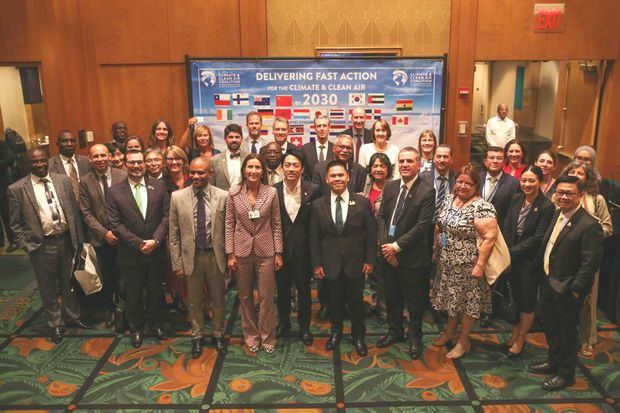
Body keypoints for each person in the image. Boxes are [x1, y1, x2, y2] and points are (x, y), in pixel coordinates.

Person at [528, 175, 604, 391]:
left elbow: (590, 264)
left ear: (580, 195)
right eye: (560, 192)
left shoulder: (589, 225)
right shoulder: (556, 214)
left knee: (568, 334)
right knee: (551, 328)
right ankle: (553, 362)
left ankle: (566, 374)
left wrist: (577, 291)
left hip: (568, 290)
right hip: (548, 283)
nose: (563, 197)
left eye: (569, 193)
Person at [8, 149, 90, 343]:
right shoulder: (17, 189)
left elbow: (73, 211)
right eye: (35, 162)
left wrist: (78, 240)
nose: (40, 164)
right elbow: (14, 224)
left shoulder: (62, 180)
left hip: (66, 241)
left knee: (69, 282)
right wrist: (27, 245)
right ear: (28, 164)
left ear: (48, 160)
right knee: (48, 288)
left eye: (43, 160)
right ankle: (56, 324)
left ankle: (73, 316)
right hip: (41, 245)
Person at [431, 164, 498, 359]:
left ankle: (463, 341)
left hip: (468, 266)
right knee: (452, 301)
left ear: (476, 185)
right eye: (459, 181)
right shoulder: (451, 199)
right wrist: (436, 248)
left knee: (467, 304)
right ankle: (449, 333)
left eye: (468, 183)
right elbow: (440, 225)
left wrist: (479, 265)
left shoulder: (482, 207)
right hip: (447, 263)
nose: (463, 186)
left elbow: (490, 238)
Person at [310, 160, 377, 356]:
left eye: (341, 175)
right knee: (334, 302)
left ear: (347, 177)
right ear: (327, 179)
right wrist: (317, 263)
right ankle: (335, 332)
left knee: (357, 302)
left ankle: (358, 336)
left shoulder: (362, 202)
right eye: (333, 176)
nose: (337, 178)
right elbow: (313, 237)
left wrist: (370, 260)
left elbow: (371, 234)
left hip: (356, 263)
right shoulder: (317, 205)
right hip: (329, 263)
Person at [106, 149, 170, 348]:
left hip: (156, 250)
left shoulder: (159, 186)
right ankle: (136, 328)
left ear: (144, 164)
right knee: (133, 294)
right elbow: (115, 224)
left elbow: (167, 217)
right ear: (125, 165)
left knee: (155, 291)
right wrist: (139, 244)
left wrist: (156, 241)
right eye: (131, 162)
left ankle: (155, 323)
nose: (136, 166)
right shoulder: (115, 191)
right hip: (131, 253)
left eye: (139, 162)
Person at [376, 148, 435, 359]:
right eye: (401, 161)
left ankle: (415, 338)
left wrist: (396, 247)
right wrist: (386, 246)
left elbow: (422, 226)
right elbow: (382, 217)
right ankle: (395, 331)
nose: (405, 165)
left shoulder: (427, 191)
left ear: (418, 164)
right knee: (392, 298)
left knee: (414, 302)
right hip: (388, 255)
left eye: (410, 161)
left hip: (412, 258)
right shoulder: (391, 187)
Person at [169, 157, 228, 358]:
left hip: (215, 256)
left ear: (209, 173)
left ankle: (218, 333)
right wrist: (177, 263)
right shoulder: (177, 197)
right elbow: (174, 233)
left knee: (218, 299)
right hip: (191, 258)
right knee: (193, 301)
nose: (196, 176)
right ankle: (197, 336)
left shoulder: (223, 196)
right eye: (192, 172)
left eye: (201, 172)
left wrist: (230, 258)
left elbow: (229, 230)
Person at [225, 154, 283, 353]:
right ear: (244, 169)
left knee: (267, 296)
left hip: (266, 251)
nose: (253, 171)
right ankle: (251, 335)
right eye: (250, 167)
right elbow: (229, 224)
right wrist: (230, 254)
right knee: (245, 296)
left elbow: (276, 224)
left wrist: (278, 252)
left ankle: (267, 336)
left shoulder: (271, 193)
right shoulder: (233, 193)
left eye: (257, 167)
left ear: (262, 171)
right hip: (241, 252)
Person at [560, 161, 613, 358]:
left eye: (580, 173)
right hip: (563, 256)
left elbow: (608, 227)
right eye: (571, 172)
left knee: (587, 301)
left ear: (587, 177)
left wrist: (587, 233)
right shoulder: (561, 196)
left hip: (587, 256)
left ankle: (586, 339)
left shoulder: (596, 199)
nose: (575, 175)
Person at [311, 134, 367, 317]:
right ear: (334, 149)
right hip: (327, 223)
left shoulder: (359, 170)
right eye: (341, 147)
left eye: (348, 148)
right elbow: (315, 194)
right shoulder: (320, 168)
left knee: (352, 284)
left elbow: (358, 196)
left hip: (351, 223)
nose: (344, 150)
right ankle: (326, 304)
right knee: (328, 278)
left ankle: (350, 306)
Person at [502, 165, 554, 358]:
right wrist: (506, 251)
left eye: (532, 180)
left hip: (529, 262)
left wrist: (510, 253)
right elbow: (507, 225)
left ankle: (521, 338)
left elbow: (538, 238)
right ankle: (514, 334)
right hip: (512, 258)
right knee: (515, 298)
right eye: (524, 180)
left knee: (527, 302)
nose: (527, 184)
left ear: (540, 182)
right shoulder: (516, 199)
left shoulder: (546, 206)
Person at [273, 149, 321, 345]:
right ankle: (283, 323)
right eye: (287, 165)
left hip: (304, 251)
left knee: (304, 291)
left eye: (295, 165)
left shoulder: (313, 189)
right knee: (282, 290)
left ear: (302, 168)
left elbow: (317, 223)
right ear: (282, 167)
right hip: (280, 251)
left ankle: (304, 327)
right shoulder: (272, 190)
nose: (291, 169)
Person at [79, 144, 127, 326]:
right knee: (108, 275)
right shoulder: (85, 181)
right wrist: (104, 232)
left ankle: (126, 307)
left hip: (123, 237)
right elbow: (86, 213)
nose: (99, 159)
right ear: (90, 159)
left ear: (110, 157)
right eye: (95, 156)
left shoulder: (122, 175)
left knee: (125, 273)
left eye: (102, 155)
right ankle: (112, 308)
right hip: (101, 238)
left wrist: (120, 231)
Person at [362, 152, 393, 321]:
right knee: (372, 273)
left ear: (388, 169)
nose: (378, 169)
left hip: (385, 238)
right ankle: (375, 303)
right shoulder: (366, 184)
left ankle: (384, 310)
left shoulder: (393, 186)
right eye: (375, 166)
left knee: (383, 276)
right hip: (366, 238)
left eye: (382, 166)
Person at [162, 146, 191, 316]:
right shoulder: (161, 184)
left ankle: (202, 303)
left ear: (183, 160)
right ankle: (182, 301)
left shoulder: (192, 179)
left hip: (194, 232)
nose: (174, 162)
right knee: (176, 271)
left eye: (177, 158)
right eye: (170, 159)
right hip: (171, 233)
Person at [48, 130, 92, 200]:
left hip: (87, 205)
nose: (69, 144)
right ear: (57, 144)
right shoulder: (50, 165)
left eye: (72, 141)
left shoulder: (85, 161)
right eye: (64, 141)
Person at [480, 146, 520, 224]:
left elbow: (513, 212)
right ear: (485, 161)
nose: (495, 161)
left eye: (499, 158)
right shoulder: (477, 178)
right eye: (491, 158)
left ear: (504, 162)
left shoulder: (514, 183)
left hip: (500, 228)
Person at [420, 144, 456, 221]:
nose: (441, 160)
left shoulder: (456, 179)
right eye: (438, 156)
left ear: (451, 159)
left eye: (445, 157)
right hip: (426, 225)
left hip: (448, 225)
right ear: (434, 158)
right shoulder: (422, 178)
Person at [210, 124, 248, 190]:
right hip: (222, 199)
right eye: (231, 137)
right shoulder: (214, 160)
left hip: (245, 199)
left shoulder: (248, 158)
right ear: (225, 139)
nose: (234, 140)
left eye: (237, 137)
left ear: (241, 139)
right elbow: (211, 186)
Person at [302, 115, 334, 180]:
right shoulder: (304, 149)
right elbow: (304, 175)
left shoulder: (335, 149)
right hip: (310, 189)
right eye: (319, 126)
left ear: (329, 128)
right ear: (315, 129)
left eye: (324, 126)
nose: (322, 129)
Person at [0, 138, 18, 252]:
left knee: (8, 216)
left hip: (2, 186)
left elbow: (10, 158)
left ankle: (14, 241)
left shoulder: (1, 143)